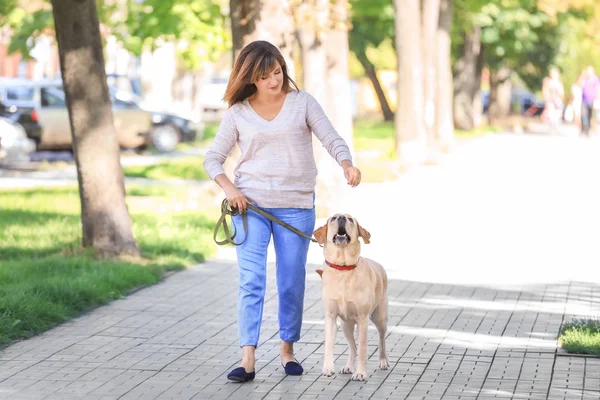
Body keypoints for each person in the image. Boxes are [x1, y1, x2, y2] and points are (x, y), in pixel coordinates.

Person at [203, 40, 361, 383]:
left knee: (291, 282)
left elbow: (330, 136)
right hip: (252, 209)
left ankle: (287, 351)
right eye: (265, 76)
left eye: (277, 71)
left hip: (295, 207)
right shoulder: (239, 113)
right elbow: (212, 158)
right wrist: (230, 189)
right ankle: (247, 359)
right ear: (250, 78)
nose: (274, 80)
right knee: (251, 281)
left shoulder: (301, 103)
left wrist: (346, 163)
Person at [541, 67, 565, 132]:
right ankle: (551, 125)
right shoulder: (548, 81)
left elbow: (562, 92)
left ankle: (556, 125)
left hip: (557, 99)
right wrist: (546, 98)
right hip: (550, 99)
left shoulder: (559, 82)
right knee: (550, 112)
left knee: (557, 112)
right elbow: (545, 90)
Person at [580, 65, 600, 136]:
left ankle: (591, 129)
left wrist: (597, 99)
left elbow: (598, 89)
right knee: (584, 115)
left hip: (592, 101)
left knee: (591, 116)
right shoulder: (585, 79)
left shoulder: (595, 79)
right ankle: (585, 129)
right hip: (584, 101)